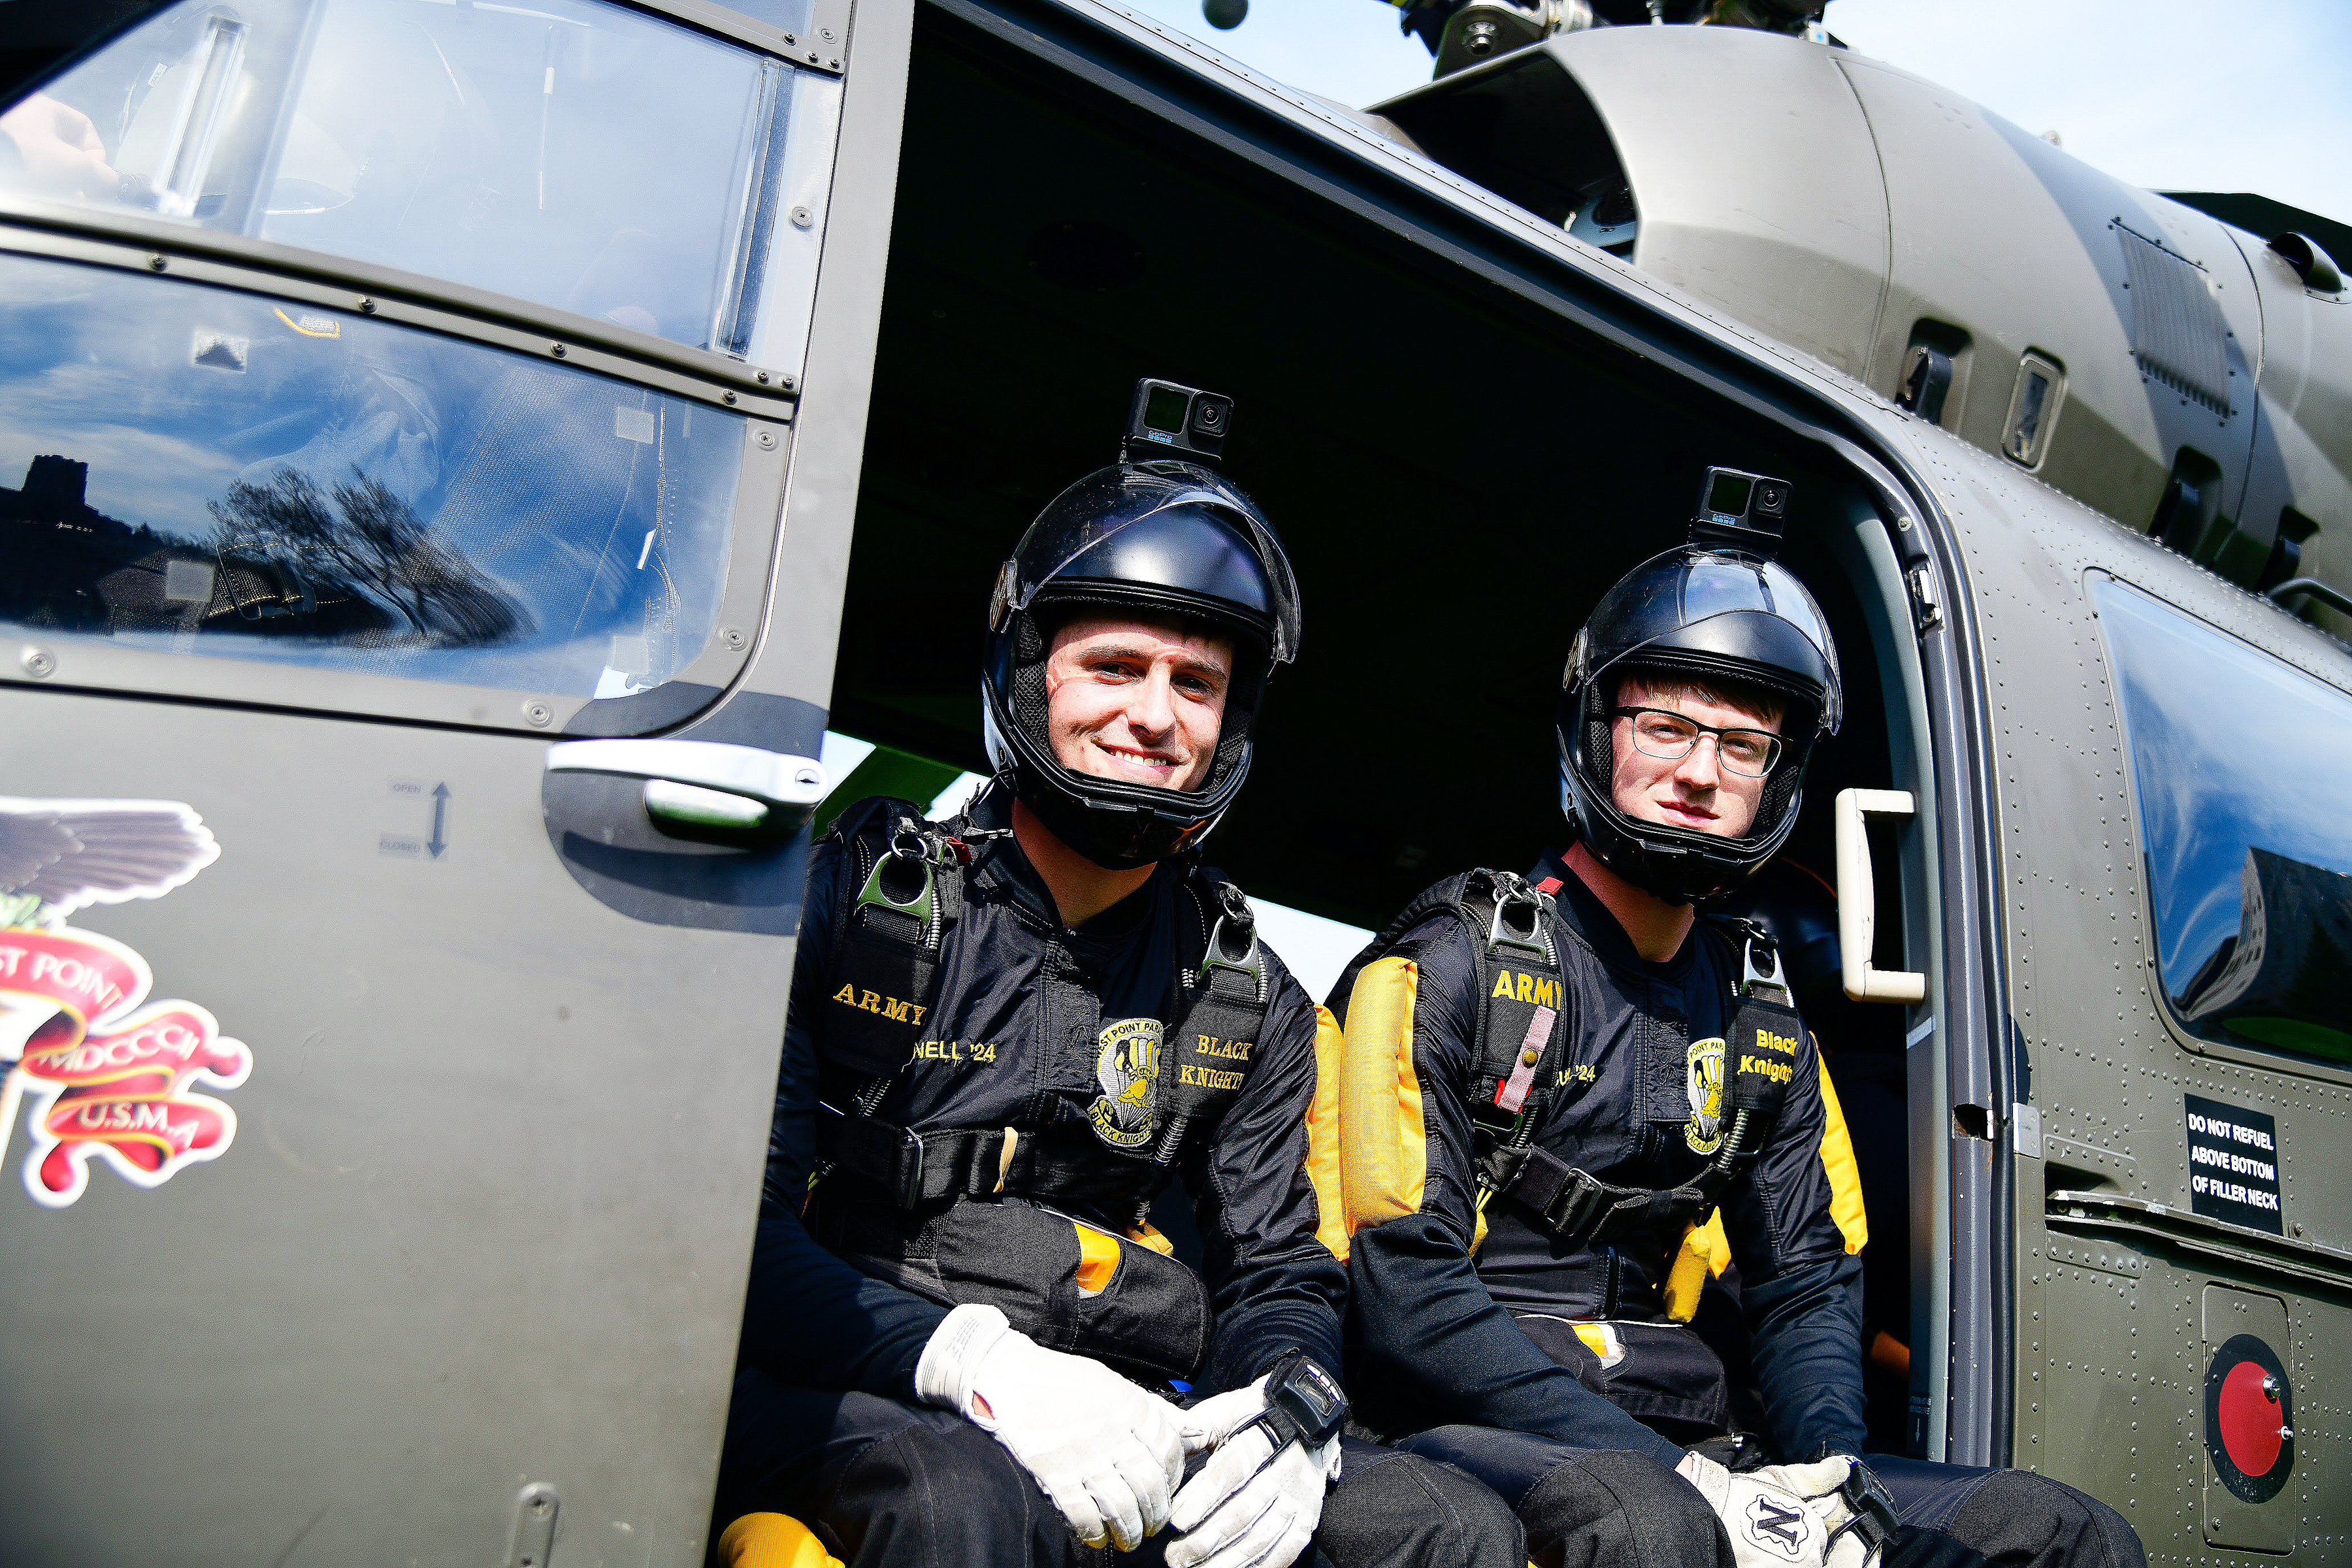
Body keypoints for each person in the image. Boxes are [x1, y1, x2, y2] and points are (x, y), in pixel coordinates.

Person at [718, 432, 1524, 1568]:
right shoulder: (856, 897)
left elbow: (1280, 1270)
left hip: (1130, 1389)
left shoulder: (1252, 994)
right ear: (1030, 674)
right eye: (1113, 667)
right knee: (959, 1500)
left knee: (1446, 1526)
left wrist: (1290, 1411)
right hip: (857, 1366)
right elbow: (724, 1235)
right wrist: (975, 1365)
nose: (1155, 716)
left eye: (1196, 684)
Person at [1328, 540, 2149, 1568]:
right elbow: (1406, 1298)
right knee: (1647, 1527)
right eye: (1665, 728)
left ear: (1777, 775)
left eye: (1743, 745)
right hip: (1468, 1428)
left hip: (1687, 1426)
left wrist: (1825, 1493)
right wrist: (1687, 1482)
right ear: (1600, 733)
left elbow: (1809, 1282)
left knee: (2063, 1532)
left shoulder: (1766, 1020)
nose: (1700, 774)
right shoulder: (1450, 966)